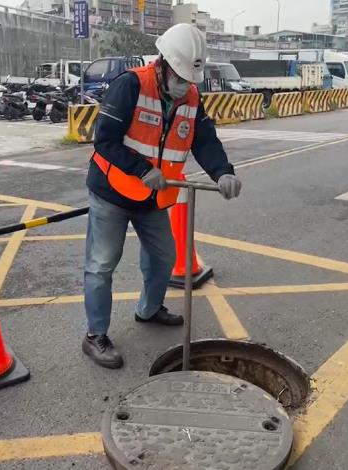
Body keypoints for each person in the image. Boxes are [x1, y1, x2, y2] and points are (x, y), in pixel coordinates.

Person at [82, 24, 241, 369]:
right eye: (180, 77)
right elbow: (105, 140)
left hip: (152, 197)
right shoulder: (130, 86)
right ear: (163, 64)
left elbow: (205, 140)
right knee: (102, 263)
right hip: (112, 191)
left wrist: (223, 171)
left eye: (190, 79)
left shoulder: (191, 98)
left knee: (164, 256)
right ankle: (95, 335)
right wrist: (141, 170)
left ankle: (149, 309)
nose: (184, 86)